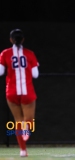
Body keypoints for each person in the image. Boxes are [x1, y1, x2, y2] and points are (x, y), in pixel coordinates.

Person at [0, 29, 39, 157]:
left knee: (18, 121)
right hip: (27, 91)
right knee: (28, 120)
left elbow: (0, 72)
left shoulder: (5, 53)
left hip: (11, 91)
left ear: (11, 40)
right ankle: (27, 129)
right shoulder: (29, 53)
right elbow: (35, 74)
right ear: (22, 40)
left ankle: (23, 150)